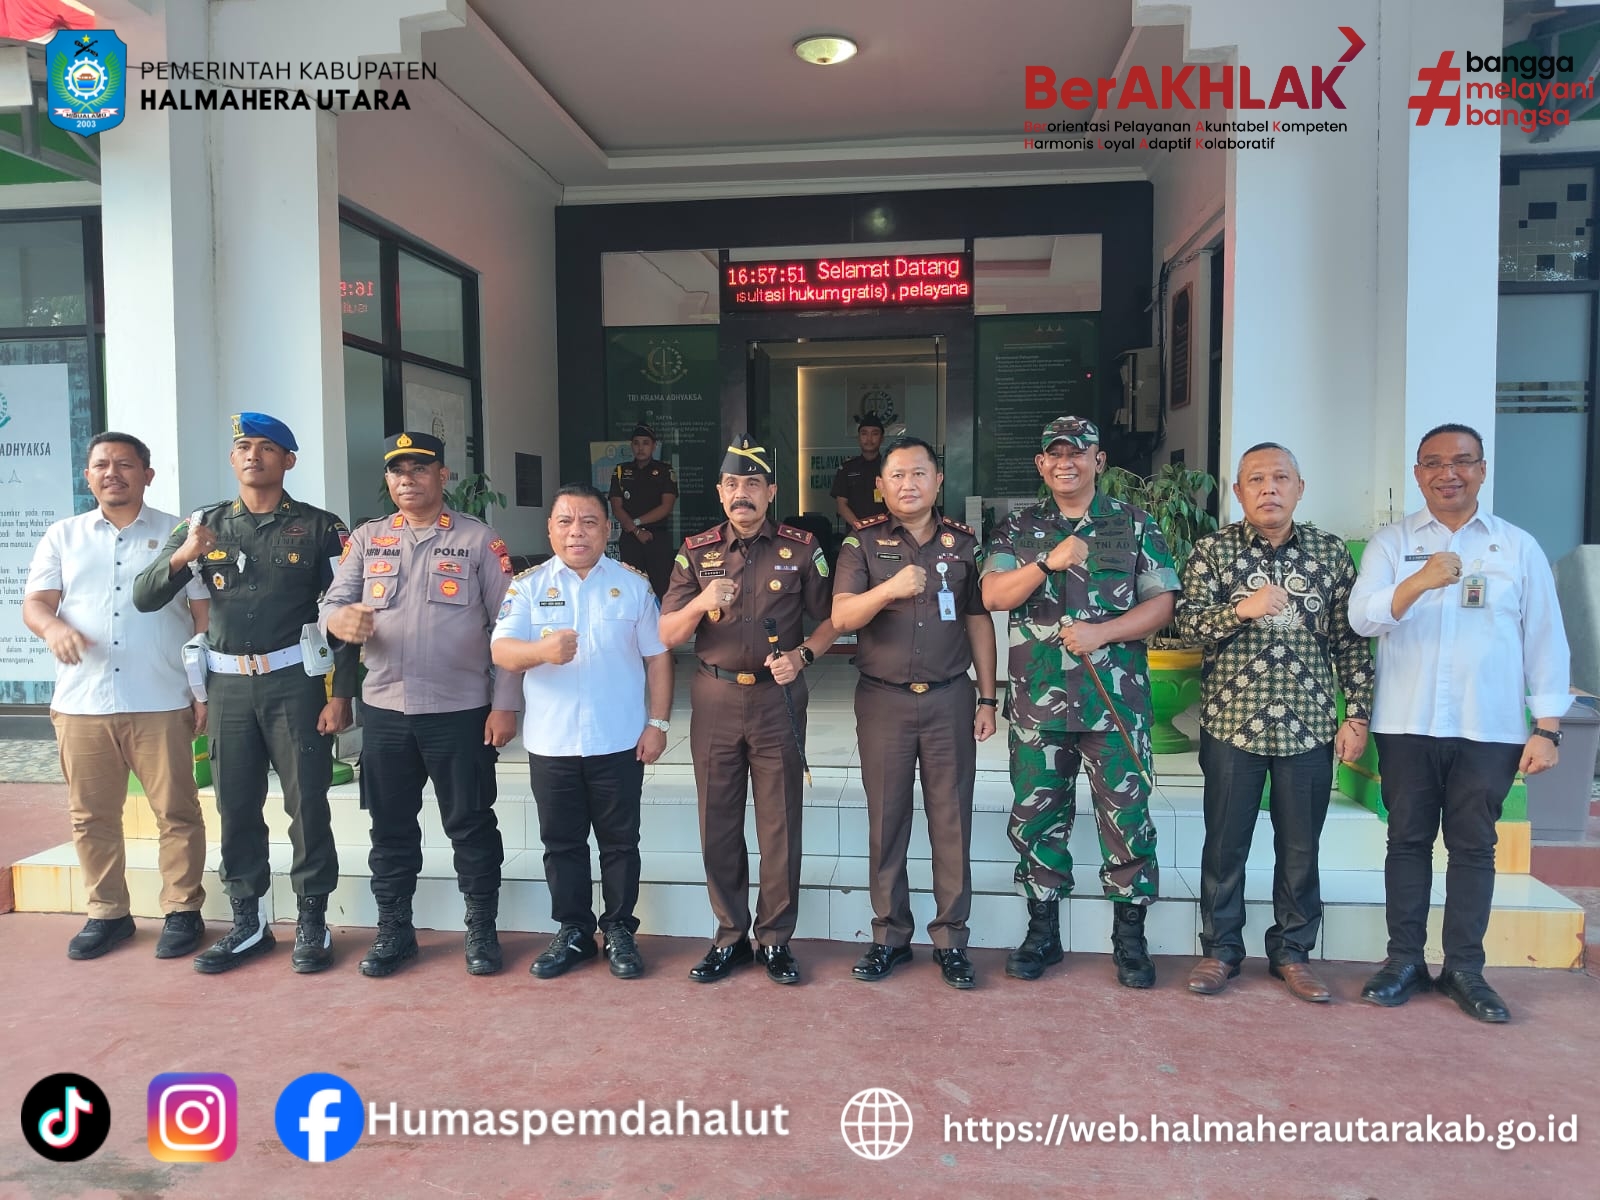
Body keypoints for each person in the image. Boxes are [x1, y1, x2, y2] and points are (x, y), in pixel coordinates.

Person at [1349, 423, 1569, 1023]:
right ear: (1417, 473)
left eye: (1463, 461)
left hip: (1489, 728)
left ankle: (1465, 969)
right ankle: (1403, 961)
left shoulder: (1516, 547)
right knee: (1407, 841)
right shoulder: (1392, 543)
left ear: (1482, 469)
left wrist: (1547, 727)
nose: (1449, 473)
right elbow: (1363, 618)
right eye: (1434, 463)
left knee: (1474, 847)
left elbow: (1545, 638)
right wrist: (1419, 581)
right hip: (1407, 723)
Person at [134, 412, 357, 975]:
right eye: (243, 446)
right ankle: (248, 922)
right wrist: (184, 553)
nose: (253, 455)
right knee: (235, 805)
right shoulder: (203, 524)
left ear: (289, 460)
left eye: (266, 447)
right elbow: (144, 595)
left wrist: (341, 694)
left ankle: (312, 920)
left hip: (295, 684)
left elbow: (346, 613)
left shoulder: (321, 527)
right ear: (233, 458)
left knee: (307, 803)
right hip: (229, 687)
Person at [981, 416, 1179, 987]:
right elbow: (993, 594)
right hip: (1038, 704)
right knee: (1036, 817)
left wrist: (1103, 633)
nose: (1065, 462)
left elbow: (1161, 603)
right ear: (1041, 465)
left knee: (1128, 818)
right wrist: (1047, 561)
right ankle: (1042, 933)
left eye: (1078, 452)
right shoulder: (1018, 527)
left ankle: (1130, 939)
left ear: (1099, 460)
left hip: (1114, 701)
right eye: (1055, 454)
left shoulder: (1134, 523)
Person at [1176, 443, 1375, 1002]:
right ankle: (1221, 950)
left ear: (1299, 488)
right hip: (1232, 723)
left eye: (1281, 478)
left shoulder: (1331, 554)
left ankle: (1292, 953)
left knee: (1301, 848)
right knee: (1225, 845)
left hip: (1308, 725)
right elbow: (1185, 625)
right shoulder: (1213, 551)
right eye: (1257, 479)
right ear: (1238, 491)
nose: (1269, 488)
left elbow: (1351, 643)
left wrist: (1356, 715)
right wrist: (1240, 609)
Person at [320, 432, 521, 977]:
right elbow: (332, 604)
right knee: (389, 829)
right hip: (386, 711)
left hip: (461, 710)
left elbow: (510, 625)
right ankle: (395, 930)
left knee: (471, 824)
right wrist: (338, 619)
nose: (406, 479)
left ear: (442, 476)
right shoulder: (367, 539)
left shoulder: (478, 540)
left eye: (419, 468)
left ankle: (481, 929)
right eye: (397, 470)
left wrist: (505, 703)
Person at [23, 432, 210, 961]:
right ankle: (107, 913)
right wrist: (52, 628)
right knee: (91, 816)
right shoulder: (64, 535)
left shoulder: (180, 533)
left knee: (176, 811)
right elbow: (36, 603)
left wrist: (202, 689)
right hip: (82, 701)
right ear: (87, 476)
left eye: (125, 464)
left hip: (161, 696)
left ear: (146, 475)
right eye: (101, 465)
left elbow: (203, 614)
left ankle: (182, 910)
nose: (112, 473)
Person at [659, 435, 838, 985]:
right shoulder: (695, 551)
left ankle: (775, 939)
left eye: (753, 484)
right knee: (717, 821)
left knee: (780, 823)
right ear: (720, 492)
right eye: (733, 484)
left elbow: (835, 618)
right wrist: (701, 600)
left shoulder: (802, 548)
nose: (742, 493)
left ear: (771, 492)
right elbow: (667, 633)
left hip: (776, 699)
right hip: (714, 697)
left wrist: (804, 656)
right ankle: (730, 936)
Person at [831, 436, 998, 989]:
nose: (909, 484)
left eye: (920, 473)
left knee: (952, 820)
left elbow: (978, 620)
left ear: (938, 481)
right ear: (881, 485)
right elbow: (842, 618)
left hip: (950, 697)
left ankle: (951, 939)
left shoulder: (964, 544)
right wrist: (890, 590)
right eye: (898, 475)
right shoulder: (860, 544)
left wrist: (987, 697)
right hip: (884, 700)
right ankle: (889, 935)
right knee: (887, 819)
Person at [491, 483, 673, 980]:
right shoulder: (528, 586)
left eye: (590, 522)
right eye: (566, 522)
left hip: (619, 739)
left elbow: (658, 658)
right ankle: (573, 930)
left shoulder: (633, 585)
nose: (577, 532)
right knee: (561, 844)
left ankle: (619, 930)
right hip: (552, 744)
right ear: (550, 530)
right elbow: (502, 651)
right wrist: (542, 652)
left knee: (620, 843)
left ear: (608, 530)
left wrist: (657, 724)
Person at [608, 423, 678, 599]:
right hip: (630, 538)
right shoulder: (621, 471)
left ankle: (664, 618)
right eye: (637, 443)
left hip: (656, 537)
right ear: (631, 446)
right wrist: (636, 531)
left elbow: (666, 507)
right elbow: (616, 507)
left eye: (646, 443)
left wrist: (637, 523)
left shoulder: (664, 471)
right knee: (630, 588)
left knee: (662, 587)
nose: (641, 448)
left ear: (654, 446)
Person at [831, 413, 888, 529]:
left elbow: (898, 504)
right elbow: (841, 505)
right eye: (864, 433)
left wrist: (884, 529)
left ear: (882, 439)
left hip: (885, 531)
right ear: (858, 438)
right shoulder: (847, 468)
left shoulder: (890, 467)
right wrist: (861, 528)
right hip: (855, 532)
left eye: (875, 434)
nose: (869, 439)